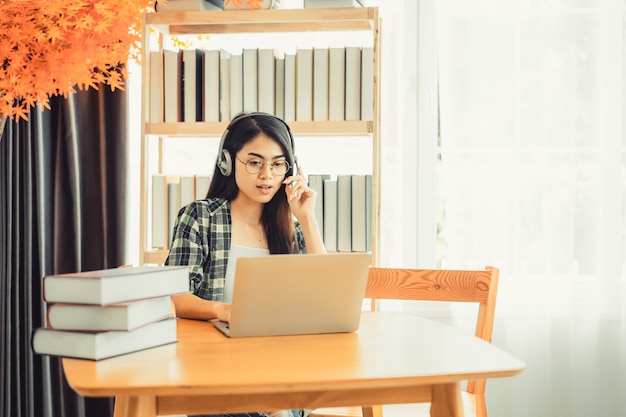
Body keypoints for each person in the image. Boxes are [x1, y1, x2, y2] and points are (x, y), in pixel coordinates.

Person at [165, 112, 326, 417]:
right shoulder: (200, 217)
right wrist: (225, 311)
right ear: (227, 162)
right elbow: (175, 296)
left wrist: (307, 218)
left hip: (280, 369)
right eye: (255, 162)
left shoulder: (291, 230)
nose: (267, 175)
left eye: (278, 164)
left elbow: (325, 299)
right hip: (215, 370)